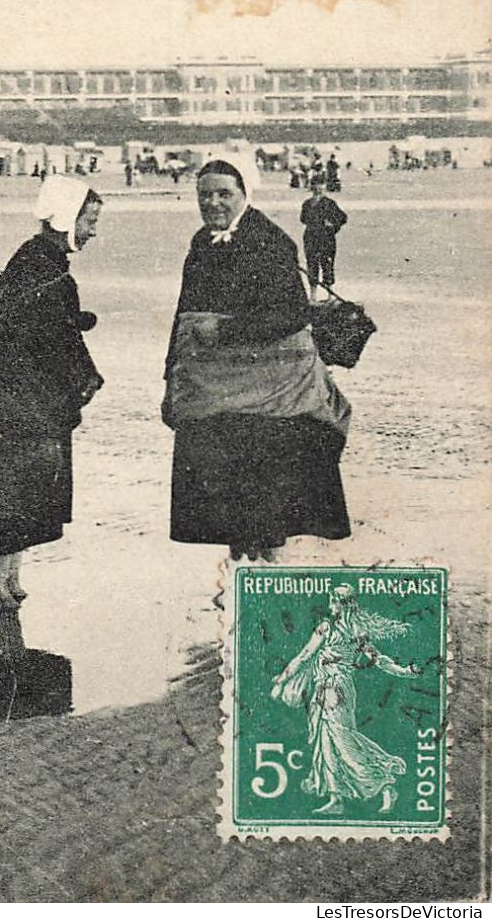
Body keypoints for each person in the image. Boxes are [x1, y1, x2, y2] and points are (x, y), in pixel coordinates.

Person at [164, 157, 352, 563]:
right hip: (216, 397)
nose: (213, 203)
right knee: (229, 507)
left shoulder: (270, 240)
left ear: (244, 194)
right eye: (205, 195)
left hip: (268, 401)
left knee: (266, 508)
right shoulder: (202, 242)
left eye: (223, 194)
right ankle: (242, 581)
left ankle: (267, 581)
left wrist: (226, 331)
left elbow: (293, 314)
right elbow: (183, 316)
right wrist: (170, 384)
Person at [0, 176, 105, 611]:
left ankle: (8, 576)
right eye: (88, 221)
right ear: (66, 219)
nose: (91, 231)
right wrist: (84, 379)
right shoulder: (48, 268)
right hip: (22, 400)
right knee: (11, 492)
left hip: (13, 396)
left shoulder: (35, 258)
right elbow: (50, 338)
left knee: (14, 491)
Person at [270, 585, 421, 815]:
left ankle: (384, 783)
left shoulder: (330, 629)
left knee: (342, 741)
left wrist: (281, 681)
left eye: (333, 601)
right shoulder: (347, 630)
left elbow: (304, 656)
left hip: (336, 691)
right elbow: (378, 660)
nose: (330, 606)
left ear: (343, 604)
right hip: (327, 689)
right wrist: (405, 671)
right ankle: (336, 798)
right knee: (326, 741)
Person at [299, 177, 347, 296]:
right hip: (311, 238)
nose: (319, 188)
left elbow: (343, 217)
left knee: (327, 265)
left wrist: (332, 225)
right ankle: (313, 296)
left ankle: (330, 295)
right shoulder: (306, 204)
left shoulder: (329, 203)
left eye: (321, 185)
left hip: (326, 238)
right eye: (316, 185)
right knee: (312, 265)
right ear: (312, 187)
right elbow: (302, 219)